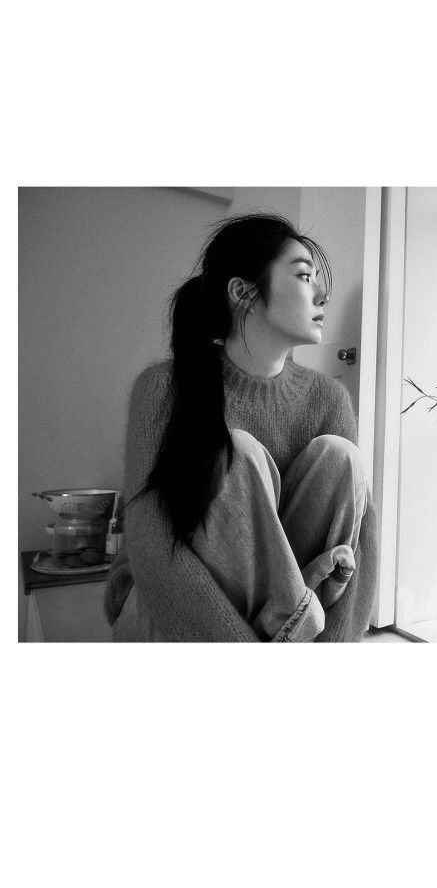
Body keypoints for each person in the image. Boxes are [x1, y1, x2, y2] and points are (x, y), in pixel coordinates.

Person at [104, 213, 378, 641]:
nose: (323, 294)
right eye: (305, 276)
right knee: (235, 452)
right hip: (168, 613)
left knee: (341, 458)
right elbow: (153, 549)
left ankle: (289, 628)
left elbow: (361, 547)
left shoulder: (329, 399)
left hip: (290, 634)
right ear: (243, 292)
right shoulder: (162, 388)